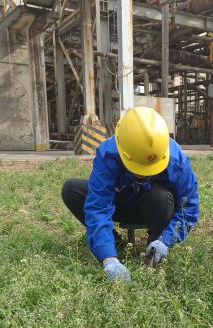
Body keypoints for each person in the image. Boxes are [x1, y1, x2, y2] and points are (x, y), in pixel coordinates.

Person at [62, 107, 199, 283]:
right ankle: (111, 242)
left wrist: (166, 240)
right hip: (120, 204)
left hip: (154, 208)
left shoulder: (176, 159)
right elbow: (98, 206)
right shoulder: (108, 155)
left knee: (160, 195)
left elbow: (188, 208)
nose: (143, 174)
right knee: (72, 189)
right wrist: (108, 258)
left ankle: (154, 250)